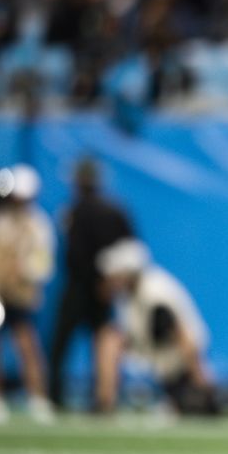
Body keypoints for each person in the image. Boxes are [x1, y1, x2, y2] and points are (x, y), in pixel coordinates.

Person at [0, 165, 56, 424]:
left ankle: (37, 398)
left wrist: (25, 269)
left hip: (19, 293)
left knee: (26, 343)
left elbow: (44, 263)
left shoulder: (38, 225)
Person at [46, 159, 135, 408]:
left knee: (66, 343)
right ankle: (103, 397)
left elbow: (74, 255)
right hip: (102, 289)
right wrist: (110, 282)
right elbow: (131, 250)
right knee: (102, 345)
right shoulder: (113, 210)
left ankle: (55, 396)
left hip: (81, 286)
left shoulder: (75, 212)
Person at [94, 239, 216, 415]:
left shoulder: (155, 294)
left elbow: (184, 336)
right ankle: (105, 403)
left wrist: (201, 385)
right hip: (155, 367)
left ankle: (110, 401)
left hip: (178, 372)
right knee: (109, 337)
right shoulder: (128, 295)